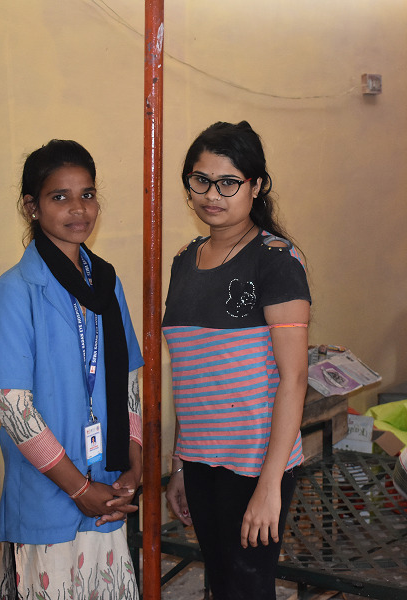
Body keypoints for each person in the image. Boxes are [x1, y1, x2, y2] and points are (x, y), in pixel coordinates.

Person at [0, 140, 143, 600]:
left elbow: (127, 380)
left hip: (106, 488)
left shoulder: (106, 283)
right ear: (31, 207)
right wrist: (78, 489)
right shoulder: (16, 291)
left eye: (87, 194)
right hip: (49, 497)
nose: (78, 209)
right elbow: (12, 407)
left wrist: (134, 462)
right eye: (60, 197)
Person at [163, 121, 312, 599]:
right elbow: (190, 375)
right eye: (200, 180)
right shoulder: (184, 261)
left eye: (228, 182)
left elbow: (294, 378)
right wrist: (180, 464)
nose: (212, 195)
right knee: (222, 583)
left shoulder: (276, 259)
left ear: (256, 185)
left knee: (248, 588)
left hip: (256, 461)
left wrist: (270, 485)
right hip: (200, 459)